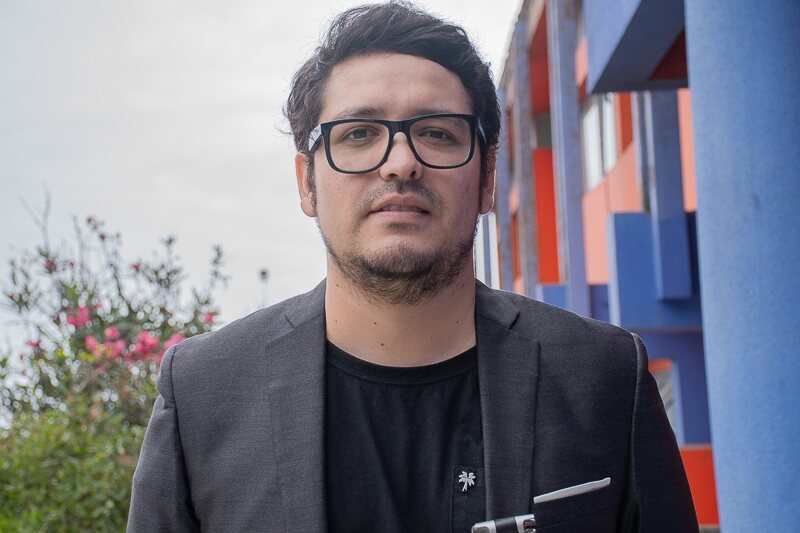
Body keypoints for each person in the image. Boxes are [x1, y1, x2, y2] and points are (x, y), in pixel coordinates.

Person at [127, 2, 698, 532]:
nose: (400, 163)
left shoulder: (604, 377)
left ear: (487, 179)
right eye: (358, 133)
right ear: (307, 183)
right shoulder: (204, 393)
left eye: (436, 133)